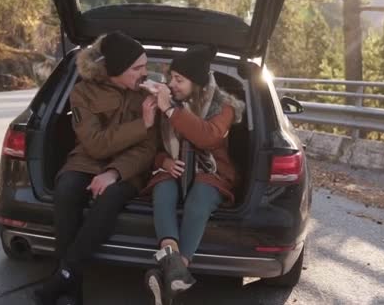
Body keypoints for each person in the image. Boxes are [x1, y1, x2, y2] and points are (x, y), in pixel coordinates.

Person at [34, 31, 158, 305]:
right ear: (115, 70)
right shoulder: (82, 92)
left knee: (110, 196)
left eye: (145, 66)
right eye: (137, 68)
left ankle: (64, 275)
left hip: (128, 169)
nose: (145, 73)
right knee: (65, 189)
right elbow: (95, 144)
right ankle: (72, 288)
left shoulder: (146, 95)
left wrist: (113, 173)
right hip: (86, 160)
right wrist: (142, 124)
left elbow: (147, 149)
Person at [141, 45, 245, 305]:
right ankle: (176, 273)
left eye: (179, 80)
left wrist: (171, 111)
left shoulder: (225, 106)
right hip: (173, 170)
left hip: (212, 172)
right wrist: (164, 161)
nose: (172, 84)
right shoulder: (168, 101)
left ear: (197, 82)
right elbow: (150, 147)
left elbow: (208, 136)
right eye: (171, 77)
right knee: (163, 190)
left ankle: (171, 271)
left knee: (199, 197)